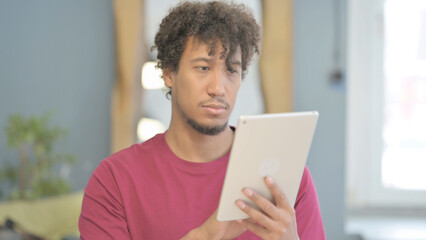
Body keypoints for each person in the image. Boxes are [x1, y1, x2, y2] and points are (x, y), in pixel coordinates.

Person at [78, 1, 326, 239]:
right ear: (168, 73)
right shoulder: (113, 182)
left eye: (231, 70)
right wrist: (205, 236)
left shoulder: (287, 180)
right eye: (203, 68)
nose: (219, 88)